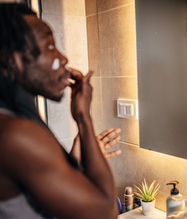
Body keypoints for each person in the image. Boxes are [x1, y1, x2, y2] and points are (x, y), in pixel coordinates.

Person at [0, 3, 120, 218]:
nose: (63, 59)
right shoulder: (17, 134)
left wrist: (73, 160)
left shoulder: (10, 121)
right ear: (16, 60)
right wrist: (84, 118)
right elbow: (104, 213)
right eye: (50, 46)